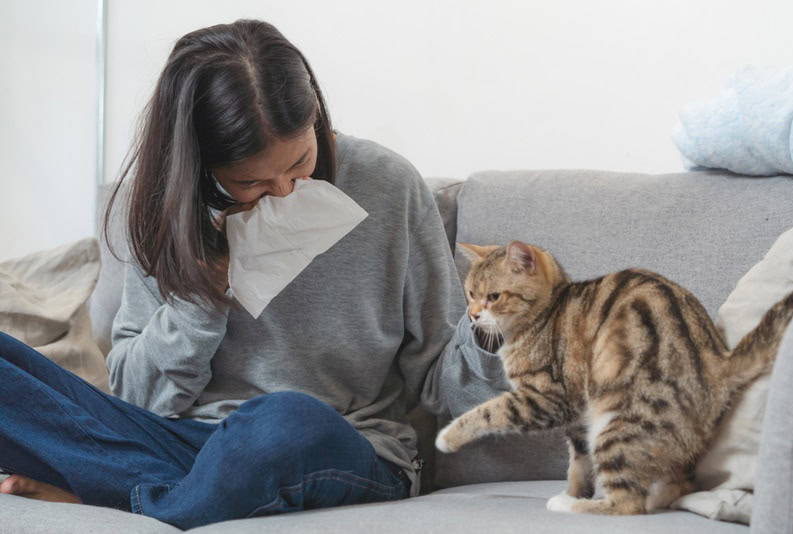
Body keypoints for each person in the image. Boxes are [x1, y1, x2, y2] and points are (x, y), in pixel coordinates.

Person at [0, 19, 508, 530]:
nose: (287, 192)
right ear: (201, 167)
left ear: (314, 118)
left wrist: (492, 330)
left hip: (338, 445)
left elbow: (444, 383)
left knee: (284, 419)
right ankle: (167, 488)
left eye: (301, 162)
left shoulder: (387, 185)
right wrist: (202, 299)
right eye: (252, 183)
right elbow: (136, 399)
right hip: (186, 445)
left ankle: (137, 505)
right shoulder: (169, 209)